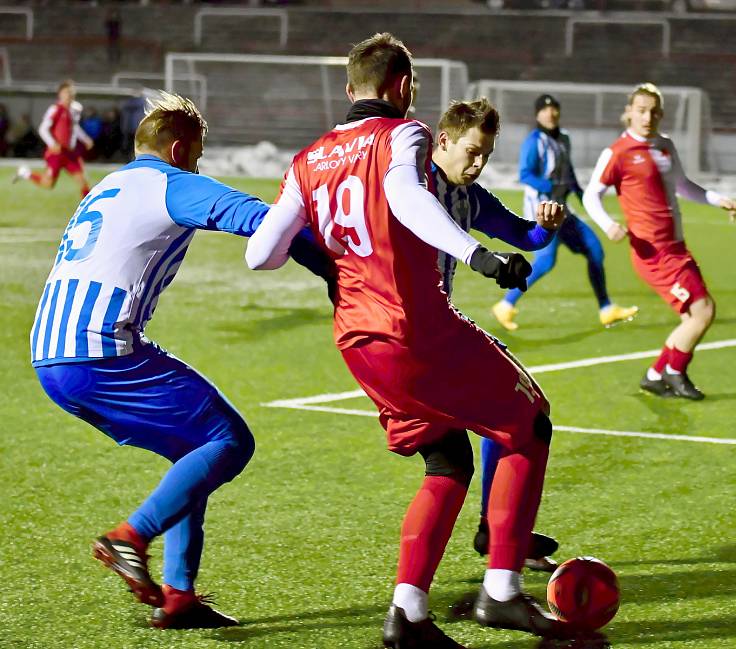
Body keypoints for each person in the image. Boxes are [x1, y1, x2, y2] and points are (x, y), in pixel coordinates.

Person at [246, 33, 578, 647]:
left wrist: (336, 264)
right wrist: (479, 257)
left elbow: (260, 253)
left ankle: (408, 614)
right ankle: (501, 591)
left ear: (350, 89)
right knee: (530, 423)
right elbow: (402, 195)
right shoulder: (405, 134)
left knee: (447, 459)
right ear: (403, 87)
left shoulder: (307, 158)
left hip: (357, 342)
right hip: (413, 326)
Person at [31, 92, 272, 629]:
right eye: (198, 155)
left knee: (193, 450)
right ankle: (131, 536)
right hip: (99, 351)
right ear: (181, 149)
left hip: (52, 353)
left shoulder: (109, 185)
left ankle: (179, 597)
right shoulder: (172, 181)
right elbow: (253, 217)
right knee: (229, 440)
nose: (199, 167)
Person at [429, 97, 565, 572]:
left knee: (516, 413)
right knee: (518, 416)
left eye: (486, 154)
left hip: (441, 326)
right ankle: (498, 547)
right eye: (471, 151)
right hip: (413, 334)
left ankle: (497, 533)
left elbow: (520, 233)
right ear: (443, 140)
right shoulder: (412, 184)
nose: (478, 163)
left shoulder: (470, 195)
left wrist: (545, 228)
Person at [582, 83, 736, 400]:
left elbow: (682, 186)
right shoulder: (618, 152)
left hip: (675, 247)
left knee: (691, 318)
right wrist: (608, 224)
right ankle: (675, 371)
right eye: (641, 110)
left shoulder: (665, 146)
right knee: (703, 311)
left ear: (661, 114)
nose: (647, 116)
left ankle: (655, 375)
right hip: (653, 253)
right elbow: (591, 195)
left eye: (653, 111)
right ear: (629, 113)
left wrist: (716, 199)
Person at [491, 93, 639, 331]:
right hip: (542, 214)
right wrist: (551, 187)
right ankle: (506, 304)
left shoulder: (564, 139)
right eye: (545, 110)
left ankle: (606, 309)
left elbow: (567, 171)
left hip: (563, 212)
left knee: (595, 250)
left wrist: (582, 194)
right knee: (546, 261)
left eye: (554, 109)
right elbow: (525, 174)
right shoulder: (534, 141)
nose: (550, 113)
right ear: (538, 114)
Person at [13, 80, 94, 198]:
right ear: (60, 94)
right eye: (67, 92)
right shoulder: (55, 109)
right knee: (48, 184)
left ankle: (86, 213)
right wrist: (52, 143)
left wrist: (86, 139)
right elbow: (42, 129)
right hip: (56, 153)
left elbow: (74, 128)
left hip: (69, 153)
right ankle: (25, 173)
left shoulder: (74, 109)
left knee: (83, 182)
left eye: (71, 92)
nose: (69, 95)